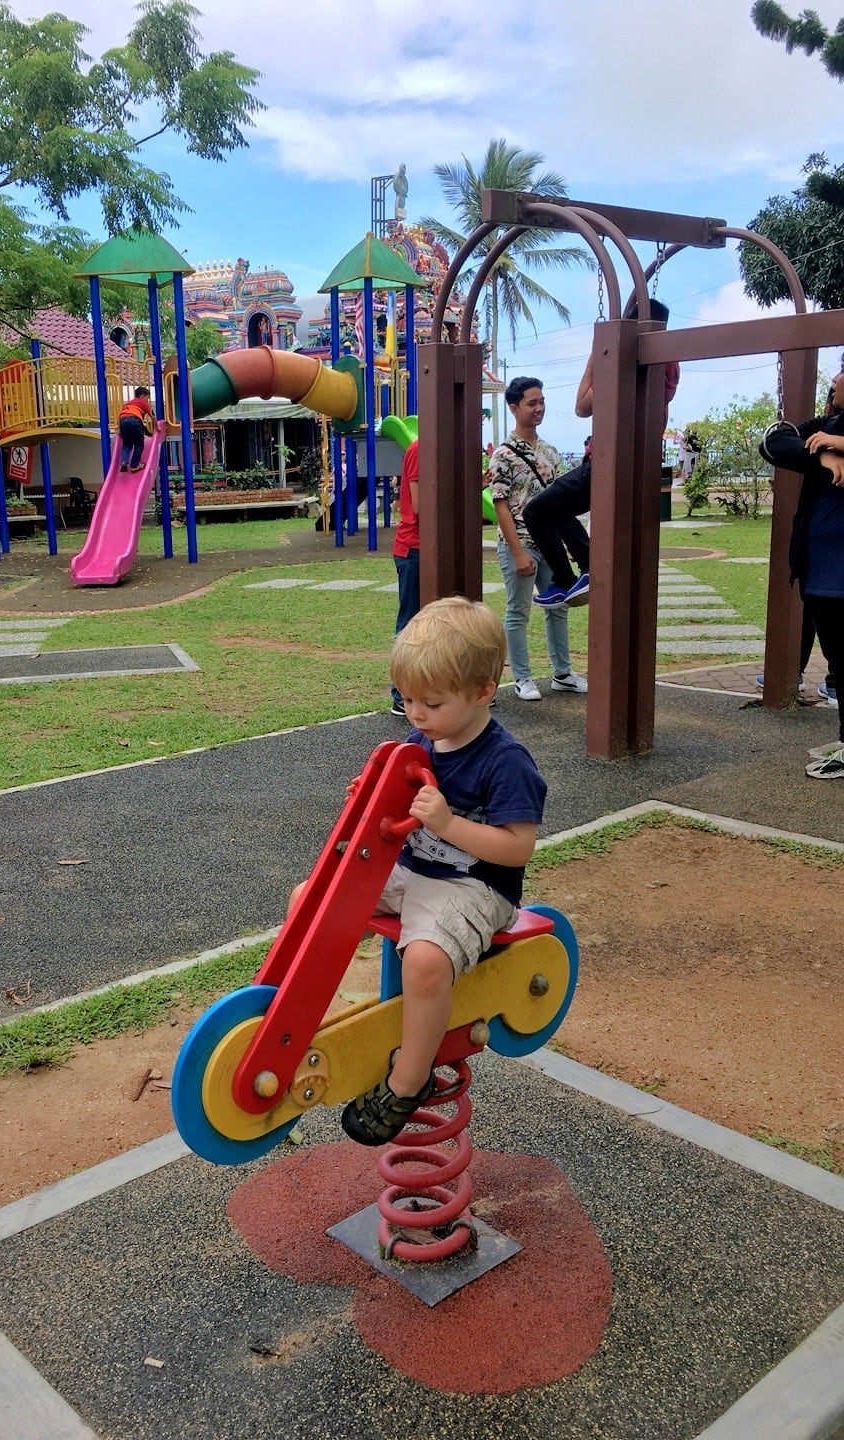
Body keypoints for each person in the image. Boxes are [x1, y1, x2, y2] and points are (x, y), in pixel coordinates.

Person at [336, 597, 547, 1144]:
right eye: (406, 699)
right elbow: (392, 816)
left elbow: (517, 848)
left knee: (426, 962)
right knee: (315, 899)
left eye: (431, 701)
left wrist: (449, 823)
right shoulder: (418, 742)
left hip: (475, 885)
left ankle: (410, 1080)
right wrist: (367, 800)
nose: (417, 714)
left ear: (483, 692)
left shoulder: (506, 762)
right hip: (415, 871)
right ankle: (312, 1016)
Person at [525, 297, 680, 609]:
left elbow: (582, 406)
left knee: (536, 512)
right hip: (638, 464)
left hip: (606, 462)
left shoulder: (623, 362)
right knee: (558, 509)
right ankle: (583, 569)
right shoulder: (668, 365)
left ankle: (572, 576)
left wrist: (598, 351)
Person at [759, 374, 844, 778]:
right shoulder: (823, 427)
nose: (835, 381)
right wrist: (822, 456)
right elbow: (775, 441)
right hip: (820, 568)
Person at [489, 376, 589, 702]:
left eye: (541, 401)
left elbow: (560, 501)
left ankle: (562, 673)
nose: (539, 408)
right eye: (532, 403)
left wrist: (566, 544)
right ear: (514, 407)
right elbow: (500, 505)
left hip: (550, 543)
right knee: (518, 611)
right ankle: (523, 678)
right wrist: (517, 552)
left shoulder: (550, 452)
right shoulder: (503, 455)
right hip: (519, 541)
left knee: (558, 605)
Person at [390, 438, 420, 715]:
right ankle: (400, 693)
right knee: (409, 623)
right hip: (413, 548)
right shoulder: (420, 449)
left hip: (427, 547)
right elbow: (420, 504)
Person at [118, 386, 153, 472]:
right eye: (147, 398)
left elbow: (122, 415)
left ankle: (124, 462)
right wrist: (157, 428)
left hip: (122, 421)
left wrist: (119, 430)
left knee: (127, 444)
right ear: (142, 396)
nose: (147, 400)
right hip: (135, 420)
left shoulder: (128, 404)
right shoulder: (143, 403)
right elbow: (153, 416)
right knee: (139, 444)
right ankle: (134, 465)